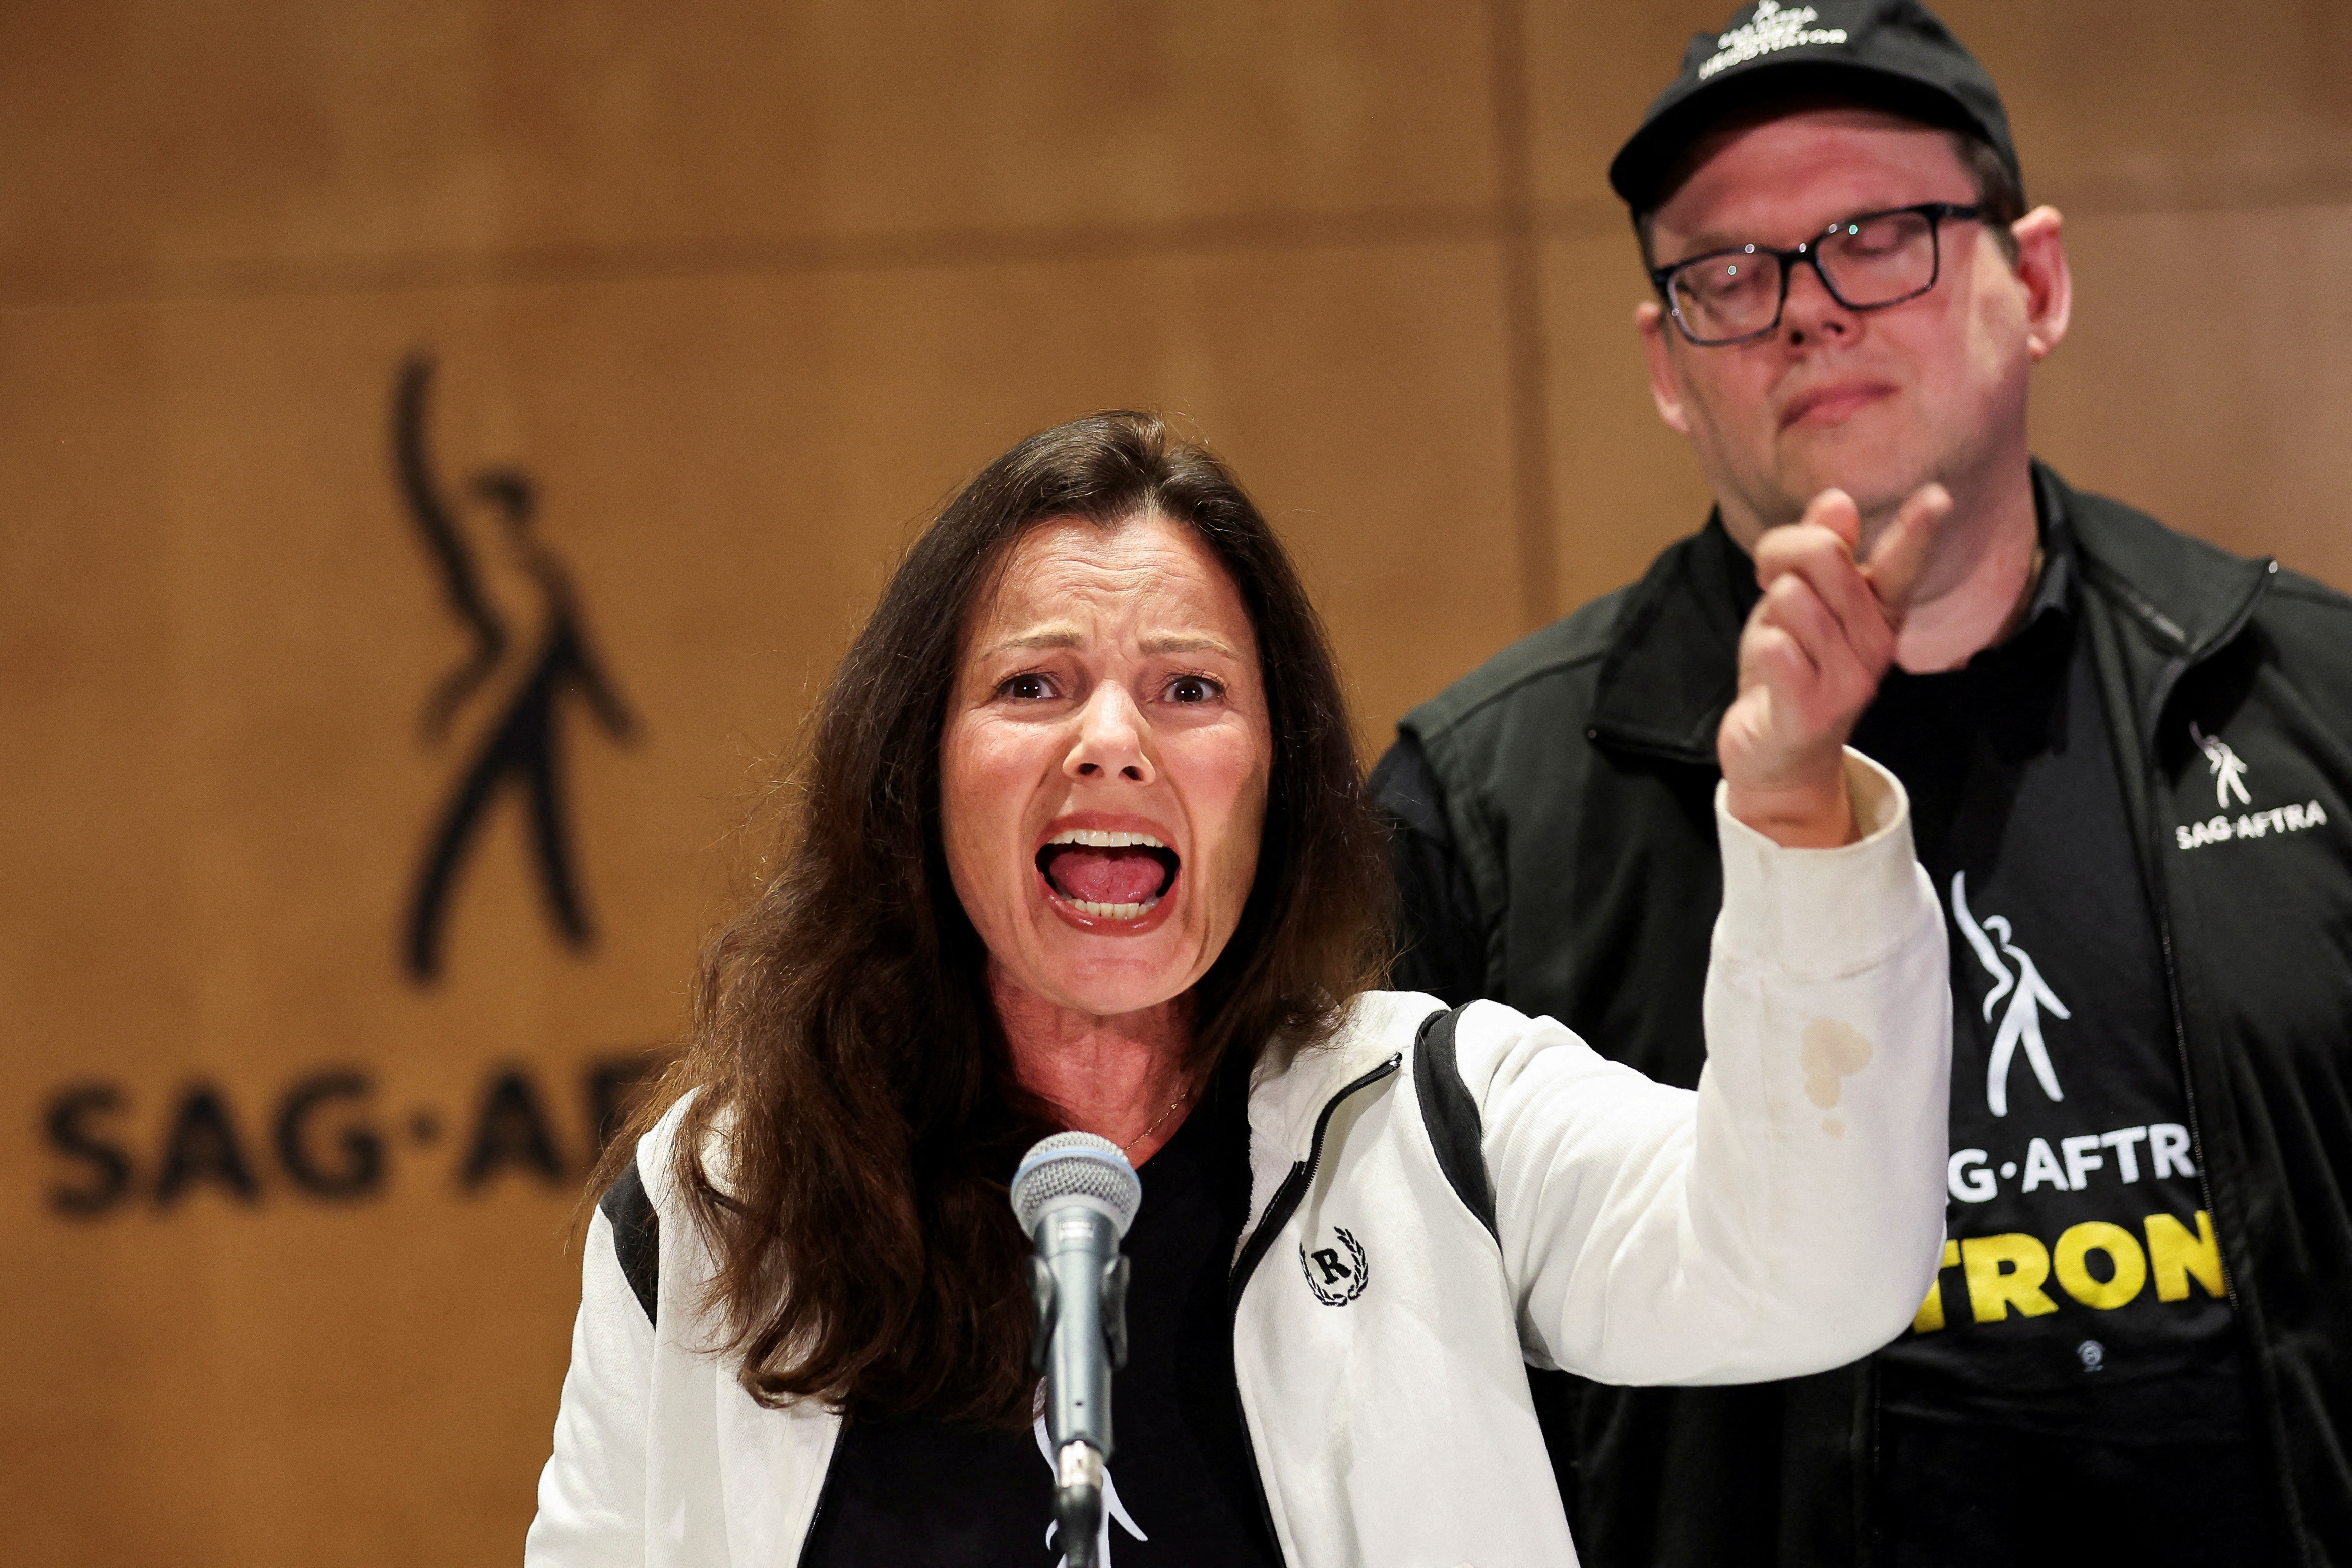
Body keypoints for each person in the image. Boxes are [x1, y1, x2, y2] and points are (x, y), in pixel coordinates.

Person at [526, 410, 1952, 1566]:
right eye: (1032, 686)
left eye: (1189, 690)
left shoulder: (1437, 1123)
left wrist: (1790, 816)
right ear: (917, 776)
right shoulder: (717, 1205)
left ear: (1273, 780)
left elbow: (1807, 1270)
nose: (1110, 740)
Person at [1372, 3, 2352, 1563]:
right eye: (1727, 274)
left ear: (2029, 282)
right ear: (1665, 365)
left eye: (1876, 235)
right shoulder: (1482, 810)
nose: (1803, 311)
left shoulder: (2310, 698)